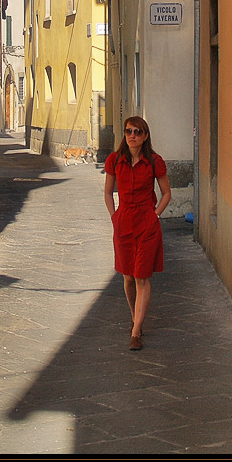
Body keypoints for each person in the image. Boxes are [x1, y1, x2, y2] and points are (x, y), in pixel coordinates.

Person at [104, 117, 171, 350]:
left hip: (147, 224)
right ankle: (136, 317)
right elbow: (107, 193)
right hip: (123, 223)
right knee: (128, 277)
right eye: (129, 131)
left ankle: (135, 332)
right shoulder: (114, 161)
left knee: (142, 276)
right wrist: (114, 216)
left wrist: (155, 215)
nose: (132, 135)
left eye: (138, 132)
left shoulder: (155, 162)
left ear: (145, 136)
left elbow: (166, 193)